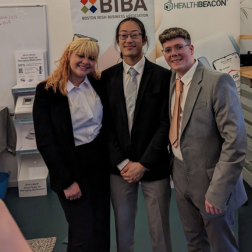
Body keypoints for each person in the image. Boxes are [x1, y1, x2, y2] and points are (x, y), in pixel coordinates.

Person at [159, 27, 247, 252]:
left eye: (179, 47)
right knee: (195, 243)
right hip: (180, 178)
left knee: (222, 246)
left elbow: (234, 142)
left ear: (191, 48)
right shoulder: (171, 80)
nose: (174, 53)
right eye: (168, 50)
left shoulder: (217, 82)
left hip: (211, 181)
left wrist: (218, 191)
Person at [101, 17, 172, 252]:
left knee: (159, 227)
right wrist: (122, 162)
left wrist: (143, 163)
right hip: (119, 168)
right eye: (123, 35)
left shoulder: (164, 76)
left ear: (144, 39)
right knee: (123, 227)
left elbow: (165, 124)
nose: (129, 39)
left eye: (134, 34)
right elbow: (105, 125)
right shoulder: (106, 78)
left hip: (154, 165)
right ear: (117, 41)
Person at [33, 36, 110, 252]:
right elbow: (46, 142)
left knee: (100, 228)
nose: (86, 61)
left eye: (91, 58)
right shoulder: (47, 91)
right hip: (69, 166)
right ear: (68, 55)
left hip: (98, 165)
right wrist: (66, 181)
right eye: (81, 55)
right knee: (83, 232)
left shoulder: (97, 84)